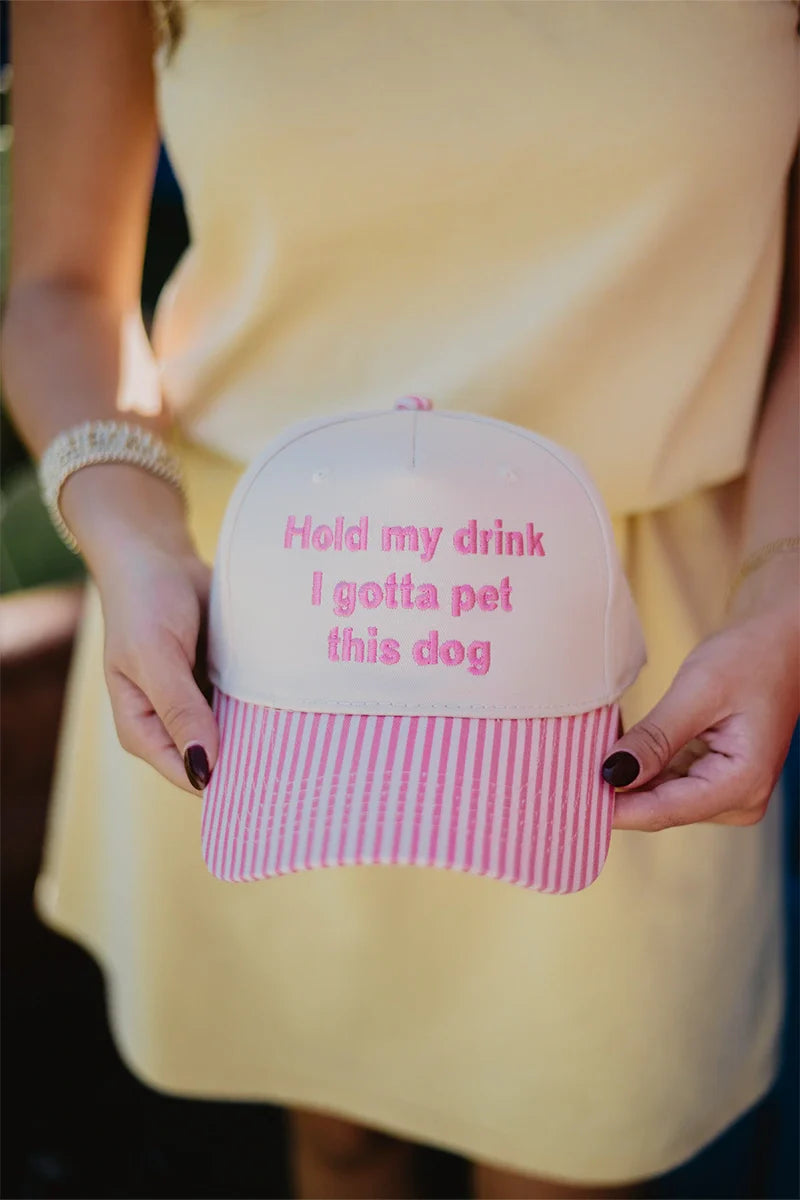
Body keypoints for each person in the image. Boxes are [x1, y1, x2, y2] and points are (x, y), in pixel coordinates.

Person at [3, 2, 798, 1197]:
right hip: (252, 630)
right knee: (337, 1141)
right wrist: (130, 538)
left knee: (566, 1157)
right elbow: (62, 284)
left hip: (633, 669)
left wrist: (782, 590)